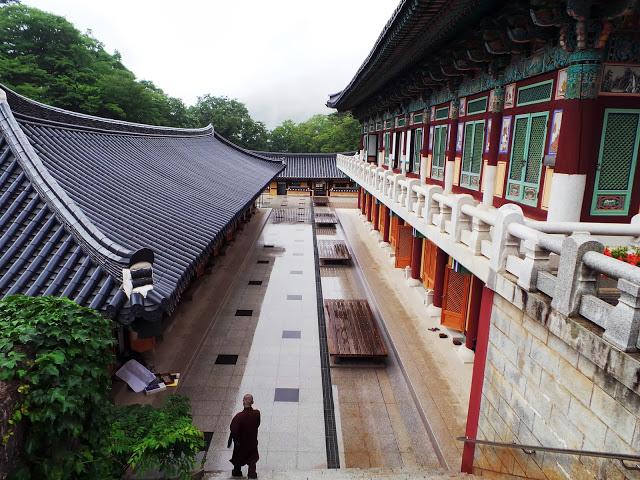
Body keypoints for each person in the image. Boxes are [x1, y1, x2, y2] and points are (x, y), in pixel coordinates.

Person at [228, 394, 260, 478]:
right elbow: (257, 424)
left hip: (241, 443)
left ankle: (237, 472)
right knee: (252, 459)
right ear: (252, 402)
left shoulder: (238, 417)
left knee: (238, 458)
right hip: (252, 442)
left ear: (243, 402)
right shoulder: (256, 414)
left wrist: (236, 439)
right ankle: (252, 474)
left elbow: (233, 429)